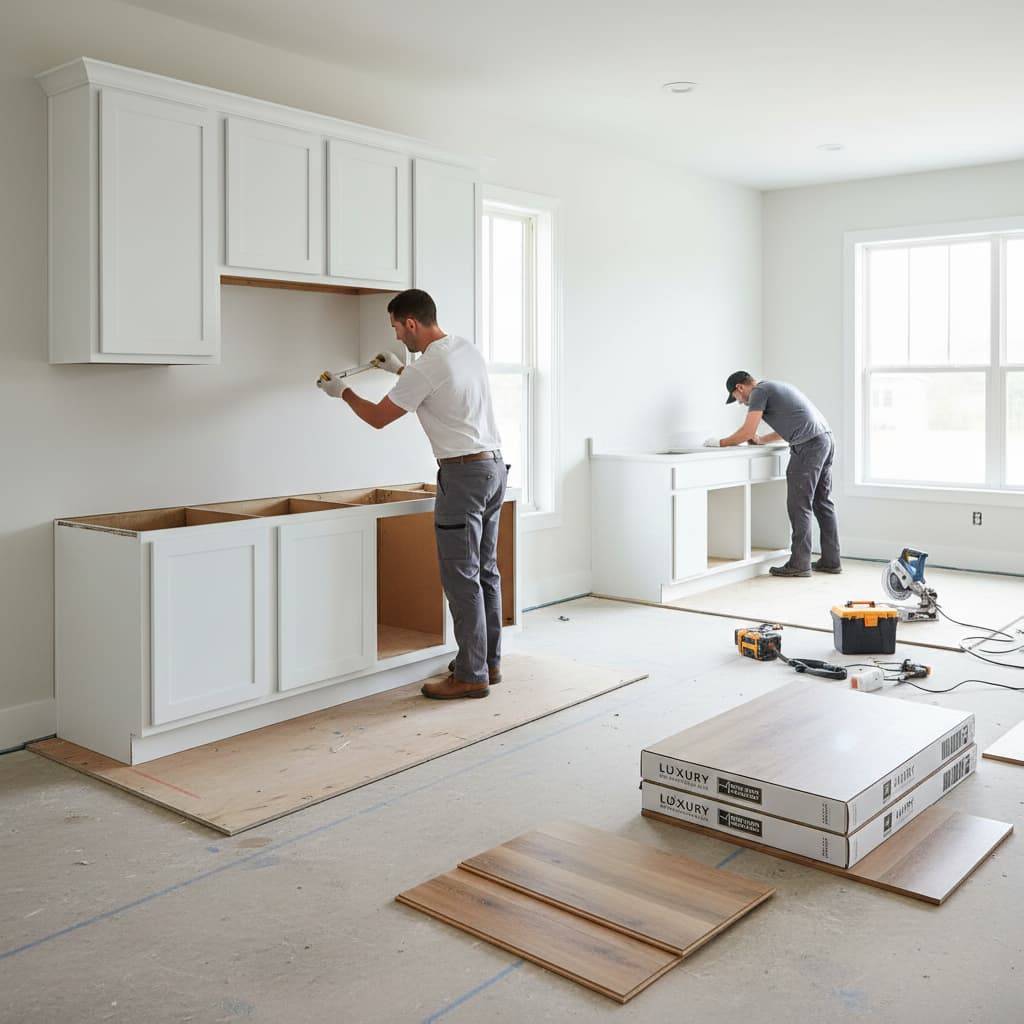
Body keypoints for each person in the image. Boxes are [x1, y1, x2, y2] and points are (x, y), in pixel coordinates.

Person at [316, 288, 507, 699]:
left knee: (461, 579)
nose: (398, 337)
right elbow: (437, 390)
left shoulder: (427, 367)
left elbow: (379, 418)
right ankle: (488, 663)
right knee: (485, 572)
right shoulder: (464, 350)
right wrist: (398, 371)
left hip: (463, 477)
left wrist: (341, 392)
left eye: (397, 329)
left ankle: (471, 676)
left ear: (411, 323)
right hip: (492, 469)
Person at [704, 371, 841, 578]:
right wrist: (763, 440)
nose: (740, 403)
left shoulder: (759, 391)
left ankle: (800, 563)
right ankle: (831, 561)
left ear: (740, 388)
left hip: (809, 446)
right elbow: (789, 424)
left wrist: (719, 443)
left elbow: (747, 432)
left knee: (799, 504)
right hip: (825, 439)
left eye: (737, 398)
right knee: (822, 502)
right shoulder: (777, 387)